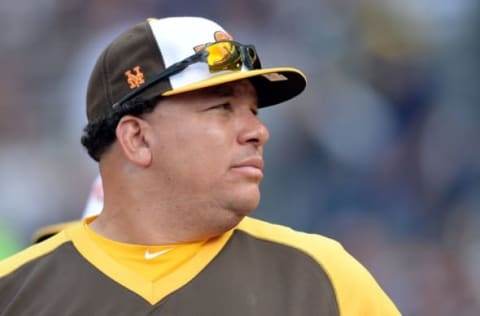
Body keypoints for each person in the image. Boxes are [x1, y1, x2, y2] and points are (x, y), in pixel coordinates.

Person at [0, 17, 400, 315]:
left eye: (254, 110)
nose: (258, 131)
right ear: (137, 139)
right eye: (223, 107)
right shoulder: (14, 291)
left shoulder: (321, 279)